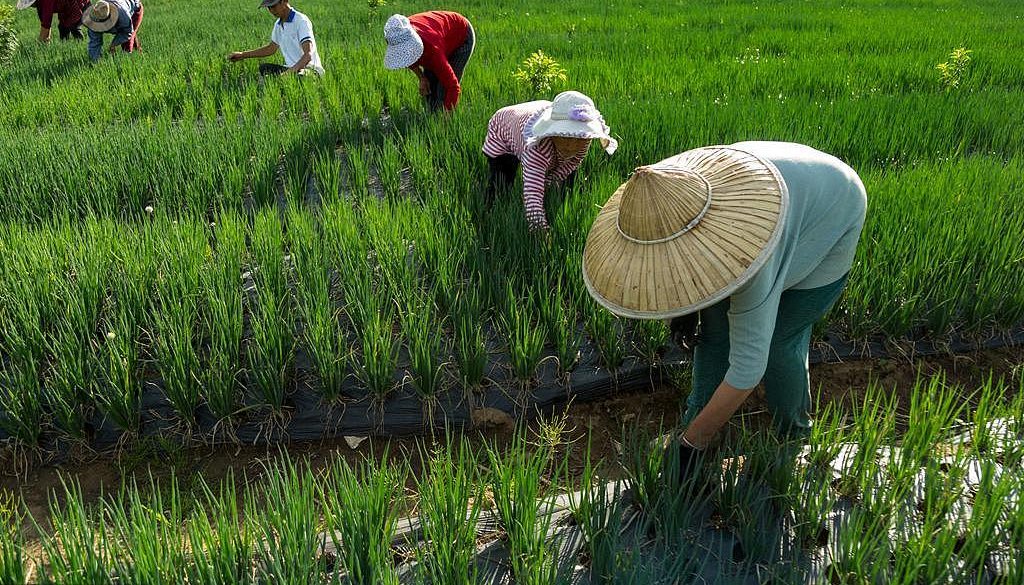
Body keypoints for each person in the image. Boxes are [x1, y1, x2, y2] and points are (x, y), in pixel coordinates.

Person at [581, 142, 867, 479]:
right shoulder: (664, 191)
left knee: (779, 343)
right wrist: (684, 311)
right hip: (773, 191)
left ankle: (793, 437)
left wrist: (691, 445)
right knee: (713, 331)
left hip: (832, 207)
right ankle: (699, 417)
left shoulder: (748, 256)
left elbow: (749, 368)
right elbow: (686, 277)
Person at [482, 91, 618, 231]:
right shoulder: (536, 147)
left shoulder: (584, 142)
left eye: (579, 137)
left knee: (566, 184)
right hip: (504, 126)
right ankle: (488, 212)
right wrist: (540, 229)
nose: (571, 146)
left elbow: (571, 165)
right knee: (503, 180)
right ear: (551, 132)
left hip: (533, 112)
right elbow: (532, 193)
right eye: (565, 136)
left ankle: (559, 202)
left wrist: (552, 182)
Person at [383, 11, 474, 112]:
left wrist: (446, 122)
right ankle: (432, 114)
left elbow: (453, 87)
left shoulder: (432, 50)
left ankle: (443, 119)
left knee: (443, 91)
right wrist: (422, 77)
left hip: (462, 35)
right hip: (440, 37)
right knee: (430, 87)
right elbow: (406, 58)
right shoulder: (399, 32)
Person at [228, 0, 323, 77]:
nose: (271, 10)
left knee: (300, 77)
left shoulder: (301, 21)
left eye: (273, 6)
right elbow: (271, 48)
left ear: (284, 1)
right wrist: (242, 55)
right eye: (269, 7)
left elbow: (308, 55)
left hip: (310, 70)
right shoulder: (278, 24)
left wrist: (289, 73)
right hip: (291, 68)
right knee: (264, 68)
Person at [17, 0, 90, 42]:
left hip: (78, 4)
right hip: (66, 9)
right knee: (62, 27)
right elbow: (44, 23)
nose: (31, 6)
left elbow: (46, 24)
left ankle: (80, 43)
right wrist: (46, 40)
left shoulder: (46, 2)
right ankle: (65, 47)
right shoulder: (40, 5)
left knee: (74, 27)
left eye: (31, 4)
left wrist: (40, 42)